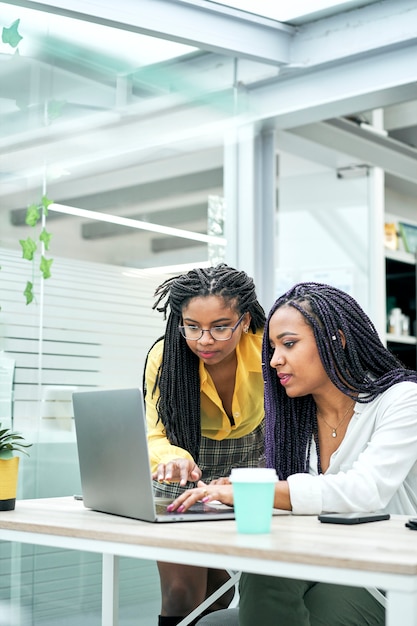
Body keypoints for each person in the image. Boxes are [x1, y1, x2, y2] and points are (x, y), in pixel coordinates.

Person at [170, 282, 417, 626]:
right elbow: (303, 502)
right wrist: (239, 494)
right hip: (319, 556)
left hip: (387, 570)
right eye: (271, 348)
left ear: (338, 340)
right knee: (262, 574)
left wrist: (263, 492)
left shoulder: (402, 400)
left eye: (289, 344)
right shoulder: (295, 422)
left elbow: (365, 491)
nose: (274, 360)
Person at [143, 263, 266, 626]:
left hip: (246, 468)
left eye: (219, 327)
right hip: (179, 471)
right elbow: (155, 433)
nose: (204, 340)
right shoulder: (166, 357)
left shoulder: (268, 349)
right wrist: (173, 458)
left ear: (244, 321)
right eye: (192, 327)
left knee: (222, 592)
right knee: (182, 594)